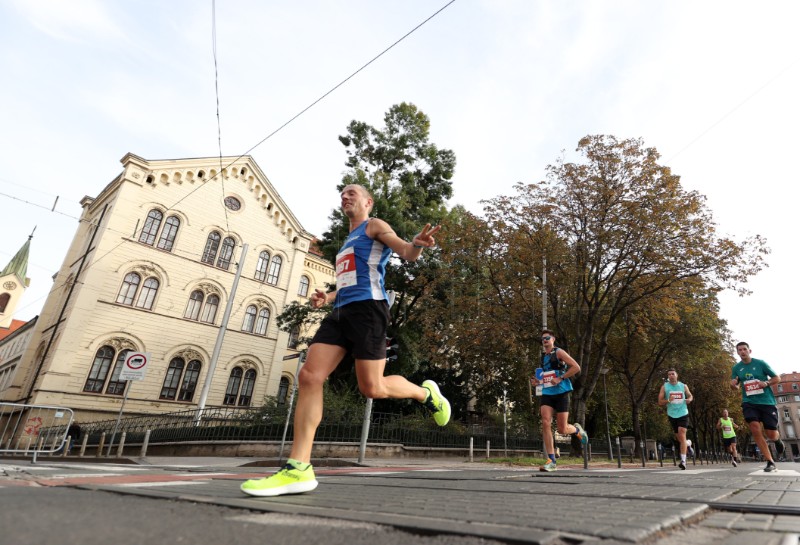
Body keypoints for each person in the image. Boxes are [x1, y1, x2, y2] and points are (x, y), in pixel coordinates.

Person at [241, 184, 451, 497]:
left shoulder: (374, 226)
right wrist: (327, 297)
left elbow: (405, 251)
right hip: (341, 311)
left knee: (372, 388)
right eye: (343, 193)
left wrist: (416, 245)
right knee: (309, 375)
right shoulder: (346, 244)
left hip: (369, 311)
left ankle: (426, 394)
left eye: (353, 192)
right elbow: (350, 282)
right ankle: (298, 468)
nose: (346, 195)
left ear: (368, 201)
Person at [530, 329, 588, 472]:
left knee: (562, 429)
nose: (544, 340)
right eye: (542, 338)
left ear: (553, 339)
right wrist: (538, 382)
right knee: (545, 422)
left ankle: (576, 430)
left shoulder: (559, 352)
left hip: (561, 392)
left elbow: (576, 367)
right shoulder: (543, 357)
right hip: (547, 393)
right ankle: (551, 460)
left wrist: (561, 378)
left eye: (547, 338)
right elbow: (547, 376)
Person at [730, 341, 784, 472]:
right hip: (749, 402)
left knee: (771, 434)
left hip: (766, 402)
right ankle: (770, 461)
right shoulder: (736, 368)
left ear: (749, 351)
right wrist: (733, 385)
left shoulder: (760, 363)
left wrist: (766, 383)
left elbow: (777, 378)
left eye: (744, 349)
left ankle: (777, 440)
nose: (742, 352)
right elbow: (735, 386)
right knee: (755, 429)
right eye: (739, 350)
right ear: (737, 352)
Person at [658, 368, 694, 470]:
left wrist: (689, 400)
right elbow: (660, 402)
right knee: (680, 438)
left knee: (682, 433)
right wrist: (668, 400)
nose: (671, 376)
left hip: (683, 413)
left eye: (673, 374)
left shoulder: (683, 386)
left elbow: (690, 395)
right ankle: (687, 444)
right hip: (672, 414)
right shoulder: (664, 387)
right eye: (669, 374)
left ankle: (683, 461)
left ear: (677, 375)